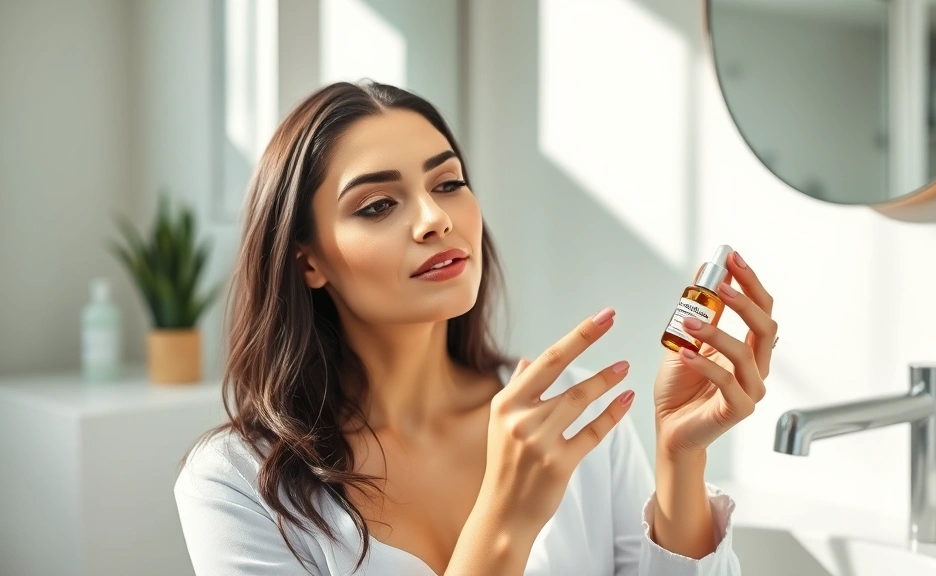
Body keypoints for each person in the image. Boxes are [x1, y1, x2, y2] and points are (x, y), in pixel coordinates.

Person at [174, 81, 777, 576]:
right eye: (379, 205)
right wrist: (504, 518)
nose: (435, 219)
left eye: (448, 183)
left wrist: (679, 457)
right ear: (308, 259)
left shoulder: (571, 415)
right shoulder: (237, 484)